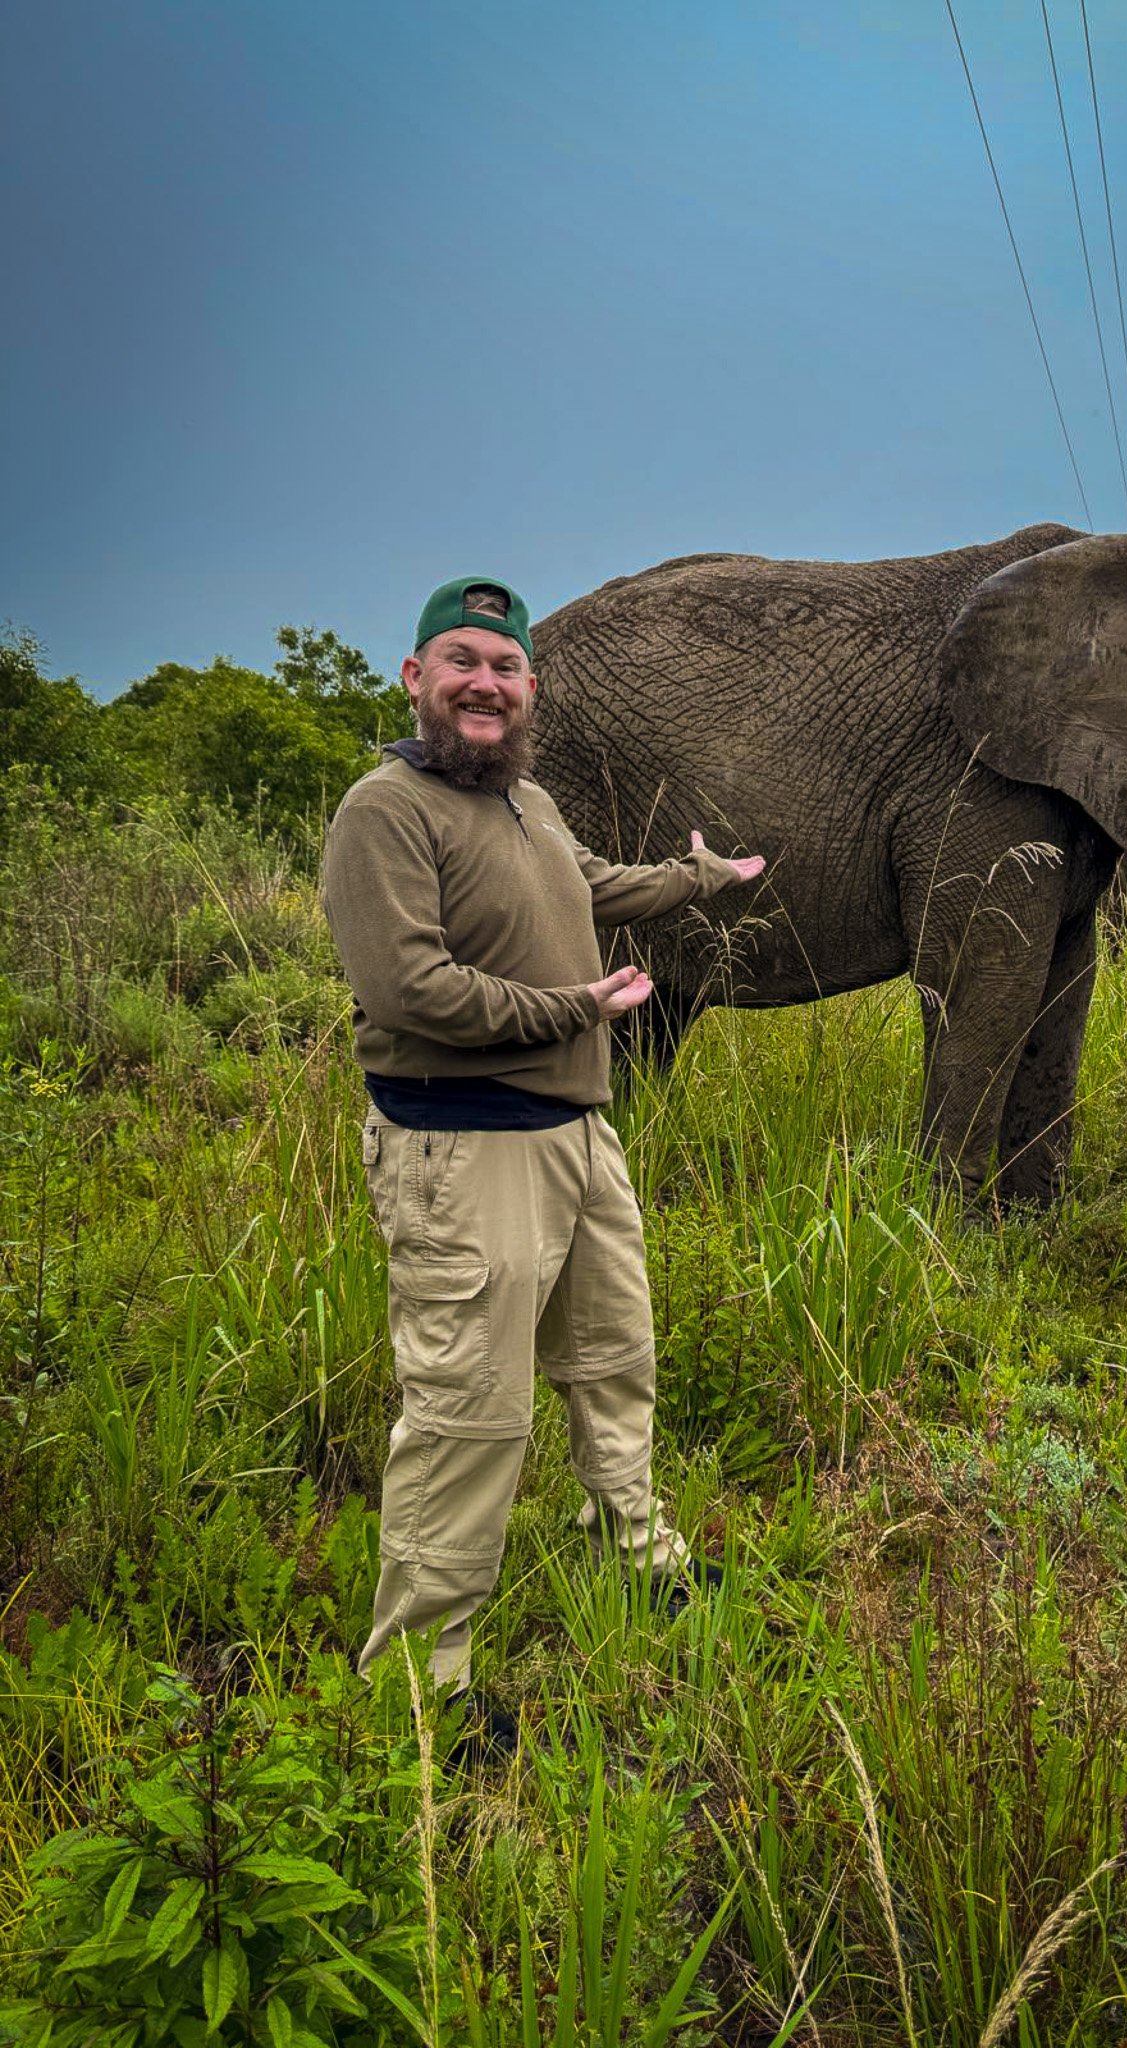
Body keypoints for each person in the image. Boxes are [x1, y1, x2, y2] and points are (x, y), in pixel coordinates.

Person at [322, 576, 763, 1729]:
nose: (485, 681)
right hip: (466, 1152)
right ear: (416, 678)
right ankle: (421, 1679)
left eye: (506, 666)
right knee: (471, 1412)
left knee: (615, 1357)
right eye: (461, 659)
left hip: (578, 1138)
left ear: (531, 691)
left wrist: (699, 879)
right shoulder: (385, 809)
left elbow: (589, 886)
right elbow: (408, 990)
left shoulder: (531, 802)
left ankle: (636, 1553)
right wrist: (575, 1007)